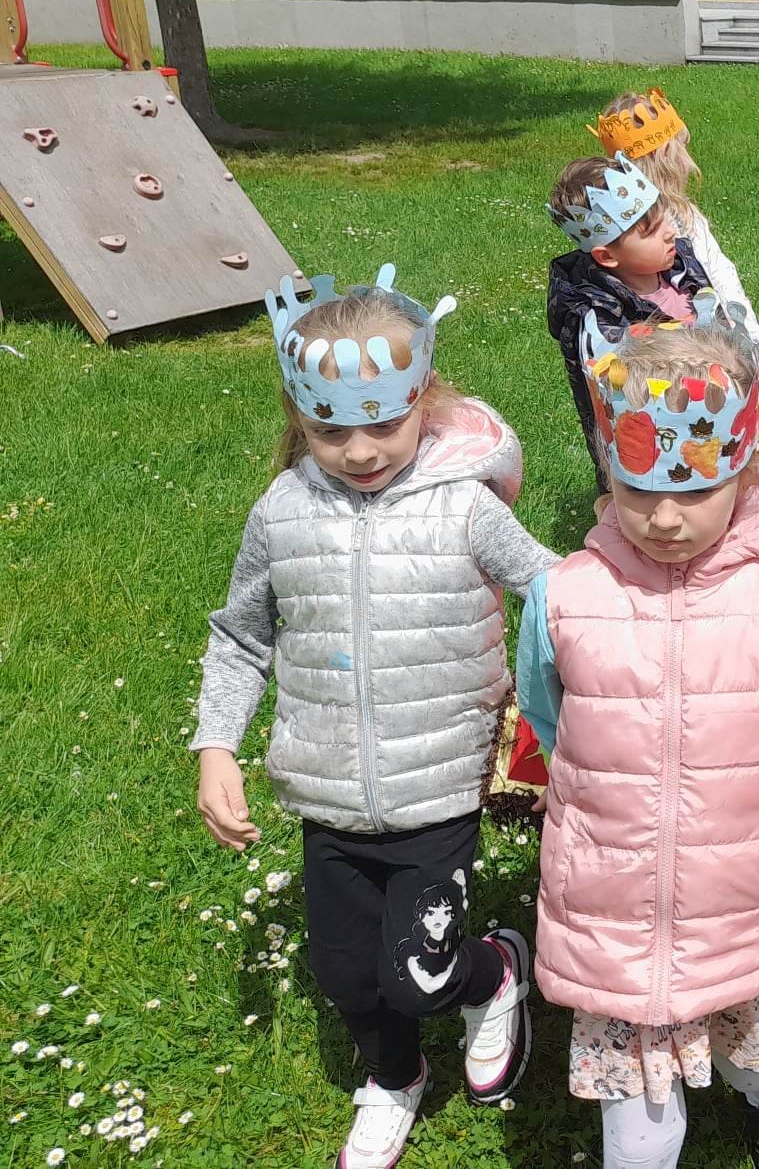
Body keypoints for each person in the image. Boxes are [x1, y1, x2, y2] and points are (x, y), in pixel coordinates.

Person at [193, 267, 555, 1169]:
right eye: (330, 430)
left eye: (383, 424)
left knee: (421, 975)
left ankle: (494, 973)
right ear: (299, 416)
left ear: (423, 400)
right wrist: (216, 746)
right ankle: (393, 1078)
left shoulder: (465, 506)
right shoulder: (282, 512)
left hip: (438, 790)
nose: (358, 450)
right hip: (329, 798)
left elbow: (554, 591)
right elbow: (241, 636)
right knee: (348, 975)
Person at [519, 308, 759, 1169]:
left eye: (693, 491)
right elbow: (549, 715)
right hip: (612, 915)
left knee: (753, 1051)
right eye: (639, 489)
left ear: (744, 470)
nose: (664, 517)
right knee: (638, 1133)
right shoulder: (565, 595)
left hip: (744, 903)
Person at [548, 154, 716, 492]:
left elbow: (718, 328)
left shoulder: (682, 269)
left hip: (709, 424)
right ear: (607, 256)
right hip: (654, 456)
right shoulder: (599, 318)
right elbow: (618, 399)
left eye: (665, 216)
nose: (671, 232)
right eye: (651, 231)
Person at [592, 88, 759, 346]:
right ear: (666, 154)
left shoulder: (628, 225)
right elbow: (719, 278)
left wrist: (750, 341)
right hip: (697, 346)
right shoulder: (668, 224)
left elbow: (720, 275)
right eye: (683, 147)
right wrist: (750, 340)